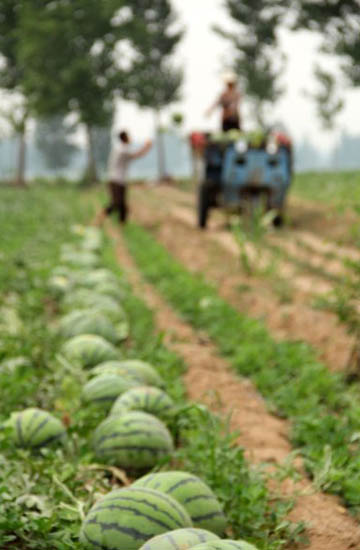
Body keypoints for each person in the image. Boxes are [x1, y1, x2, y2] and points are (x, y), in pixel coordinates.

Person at [97, 131, 152, 225]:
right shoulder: (122, 149)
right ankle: (100, 218)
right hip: (116, 180)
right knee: (116, 203)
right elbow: (136, 155)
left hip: (119, 180)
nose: (130, 138)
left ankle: (121, 225)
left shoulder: (120, 148)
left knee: (122, 204)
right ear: (124, 138)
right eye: (129, 137)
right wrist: (146, 147)